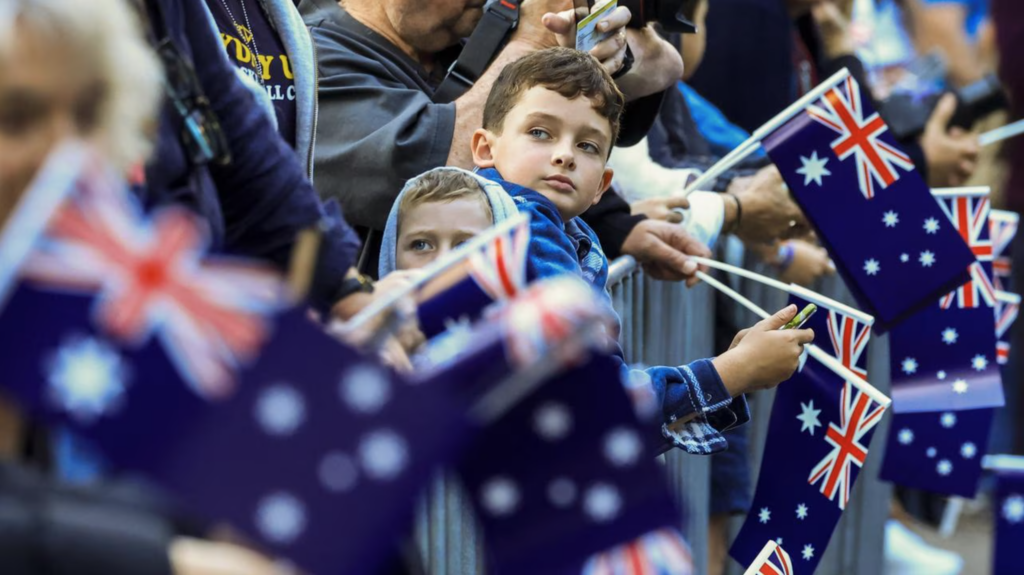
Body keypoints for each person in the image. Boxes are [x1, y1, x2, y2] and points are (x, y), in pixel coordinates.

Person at [0, 0, 287, 572]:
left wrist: (216, 521)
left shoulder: (65, 296)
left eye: (86, 115)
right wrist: (169, 558)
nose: (63, 151)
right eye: (15, 116)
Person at [463, 47, 814, 452]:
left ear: (602, 186)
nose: (564, 154)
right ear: (486, 149)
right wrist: (731, 372)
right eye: (540, 132)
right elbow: (594, 403)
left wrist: (733, 369)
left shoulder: (566, 230)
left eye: (588, 146)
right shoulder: (522, 225)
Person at [298, 0, 712, 284]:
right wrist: (533, 41)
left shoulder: (467, 32)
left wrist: (606, 39)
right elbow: (440, 177)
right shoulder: (311, 55)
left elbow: (664, 65)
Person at [689, 0, 979, 187]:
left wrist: (842, 51)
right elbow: (778, 162)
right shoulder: (750, 15)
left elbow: (851, 136)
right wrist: (920, 160)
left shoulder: (805, 20)